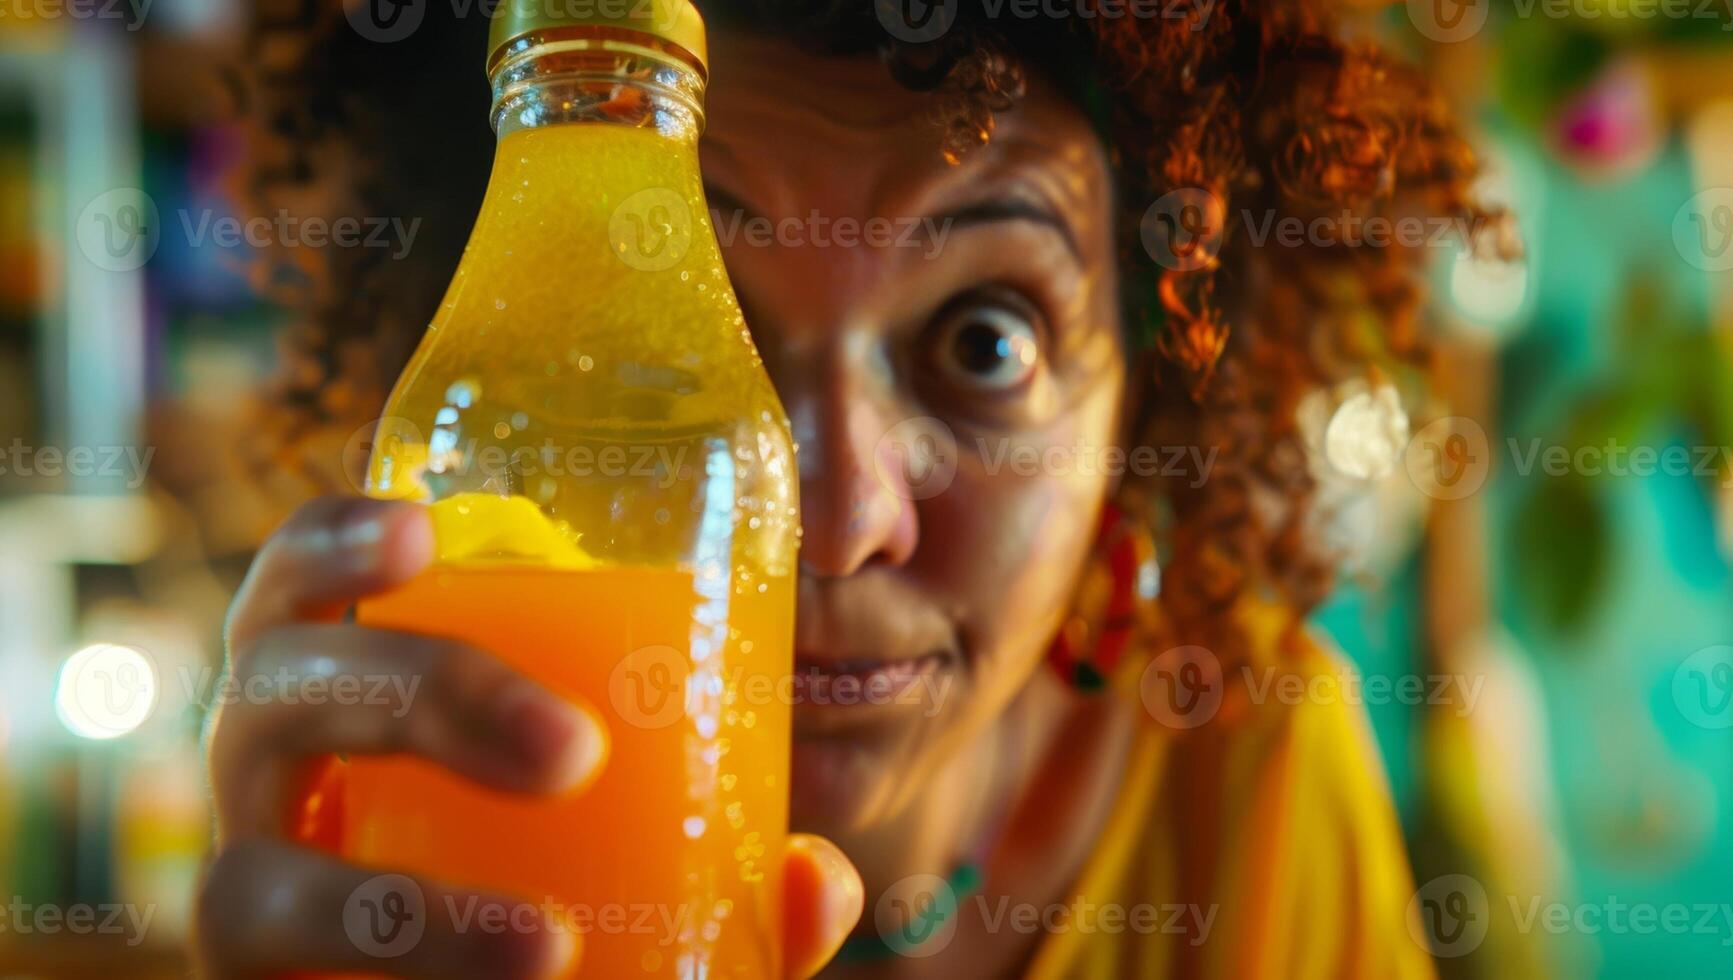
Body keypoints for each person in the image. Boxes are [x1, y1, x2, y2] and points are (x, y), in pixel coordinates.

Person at [195, 1, 1480, 975]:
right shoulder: (419, 835)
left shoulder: (1243, 773)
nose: (840, 516)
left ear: (1141, 415)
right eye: (688, 344)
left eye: (986, 340)